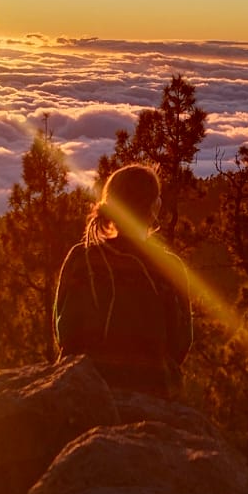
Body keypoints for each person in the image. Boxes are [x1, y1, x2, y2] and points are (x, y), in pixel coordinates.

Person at [53, 164, 193, 397]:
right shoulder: (169, 267)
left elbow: (64, 331)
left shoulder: (82, 259)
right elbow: (181, 343)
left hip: (85, 391)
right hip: (153, 391)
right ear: (154, 207)